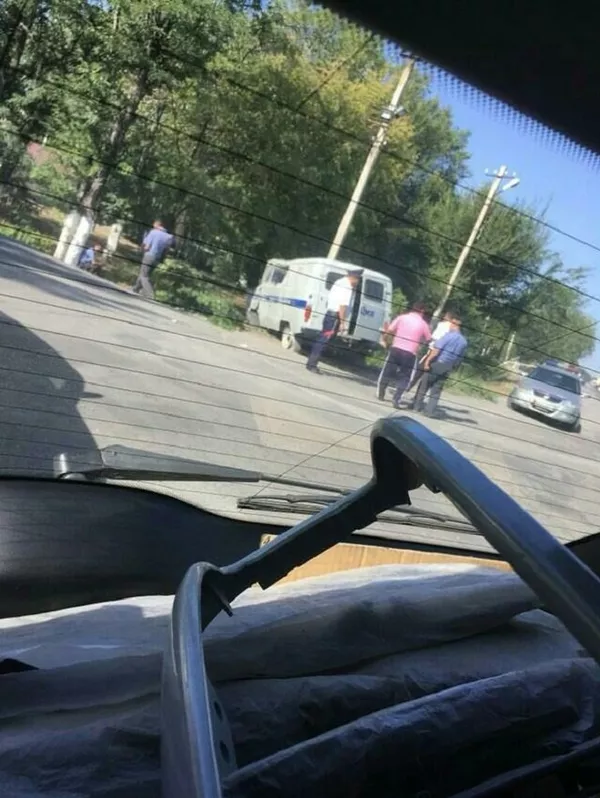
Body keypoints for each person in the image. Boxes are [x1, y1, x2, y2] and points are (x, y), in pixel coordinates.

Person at [306, 267, 363, 373]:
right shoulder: (347, 287)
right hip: (334, 318)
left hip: (329, 314)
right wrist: (342, 322)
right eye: (358, 280)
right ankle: (312, 364)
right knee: (324, 340)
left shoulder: (339, 282)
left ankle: (311, 362)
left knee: (322, 338)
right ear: (354, 277)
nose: (357, 282)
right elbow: (342, 306)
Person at [410, 315, 467, 417]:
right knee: (436, 390)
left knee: (424, 385)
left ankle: (416, 406)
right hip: (448, 366)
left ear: (454, 325)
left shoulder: (448, 336)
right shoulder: (464, 342)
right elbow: (460, 358)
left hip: (437, 363)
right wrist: (454, 367)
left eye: (450, 324)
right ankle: (429, 411)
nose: (449, 326)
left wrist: (427, 361)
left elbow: (436, 350)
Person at [377, 302, 431, 408]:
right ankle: (396, 398)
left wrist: (384, 340)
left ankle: (381, 393)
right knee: (405, 377)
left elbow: (390, 330)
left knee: (387, 371)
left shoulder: (402, 318)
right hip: (410, 353)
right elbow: (428, 339)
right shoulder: (423, 324)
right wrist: (420, 344)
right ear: (422, 311)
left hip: (396, 348)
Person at [406, 310, 453, 394]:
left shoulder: (442, 325)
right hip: (441, 355)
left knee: (418, 372)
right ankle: (418, 396)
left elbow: (434, 337)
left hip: (431, 350)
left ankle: (407, 388)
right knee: (427, 378)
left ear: (447, 317)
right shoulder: (452, 330)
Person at [133, 220, 174, 299]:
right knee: (145, 273)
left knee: (144, 275)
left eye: (154, 225)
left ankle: (150, 294)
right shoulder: (168, 237)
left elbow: (147, 246)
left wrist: (142, 250)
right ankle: (136, 288)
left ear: (157, 225)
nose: (153, 227)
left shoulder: (153, 232)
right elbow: (167, 250)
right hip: (158, 258)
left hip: (149, 255)